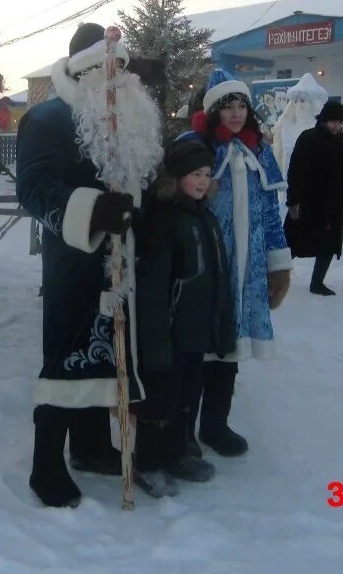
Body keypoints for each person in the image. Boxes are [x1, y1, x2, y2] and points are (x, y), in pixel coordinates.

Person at [15, 22, 164, 508]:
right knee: (69, 351)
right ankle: (46, 465)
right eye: (108, 66)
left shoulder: (129, 118)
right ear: (87, 69)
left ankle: (92, 445)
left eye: (122, 66)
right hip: (75, 260)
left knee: (113, 352)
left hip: (125, 261)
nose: (117, 75)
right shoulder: (49, 118)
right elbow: (34, 189)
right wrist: (96, 212)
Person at [180, 68, 292, 456]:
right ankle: (183, 431)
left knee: (229, 349)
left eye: (241, 104)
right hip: (206, 266)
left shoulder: (257, 149)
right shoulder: (195, 146)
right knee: (198, 350)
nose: (235, 113)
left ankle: (215, 425)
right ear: (212, 110)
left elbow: (269, 212)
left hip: (248, 269)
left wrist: (279, 263)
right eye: (226, 106)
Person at [133, 139, 235, 497]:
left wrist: (221, 326)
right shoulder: (164, 219)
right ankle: (147, 462)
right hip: (170, 333)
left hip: (196, 332)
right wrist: (156, 342)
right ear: (175, 176)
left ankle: (176, 454)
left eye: (207, 174)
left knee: (186, 399)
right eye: (195, 174)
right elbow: (154, 287)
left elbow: (218, 276)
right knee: (160, 401)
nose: (204, 181)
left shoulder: (203, 214)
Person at [284, 101, 343, 296]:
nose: (336, 126)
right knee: (292, 241)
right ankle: (270, 278)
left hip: (333, 203)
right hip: (308, 201)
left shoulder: (341, 139)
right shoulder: (308, 138)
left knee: (329, 243)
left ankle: (317, 283)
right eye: (333, 121)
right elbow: (295, 171)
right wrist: (293, 201)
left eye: (340, 122)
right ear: (323, 120)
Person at [271, 73, 328, 186]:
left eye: (303, 101)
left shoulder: (321, 131)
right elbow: (278, 159)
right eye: (295, 101)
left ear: (314, 104)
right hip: (288, 188)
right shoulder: (286, 128)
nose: (298, 105)